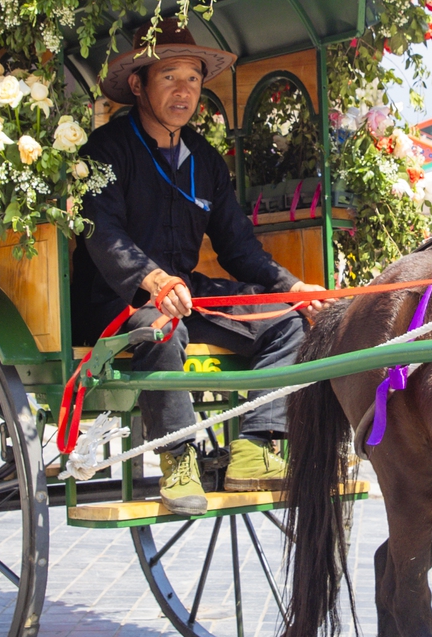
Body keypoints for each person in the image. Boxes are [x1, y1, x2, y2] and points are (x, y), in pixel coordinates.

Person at [73, 29, 327, 514]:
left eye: (192, 78)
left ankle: (256, 448)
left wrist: (294, 288)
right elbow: (102, 233)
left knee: (286, 322)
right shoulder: (106, 150)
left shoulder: (206, 160)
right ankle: (178, 457)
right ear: (139, 86)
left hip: (185, 294)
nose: (184, 91)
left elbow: (238, 246)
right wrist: (152, 282)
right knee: (161, 329)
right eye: (169, 76)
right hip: (116, 299)